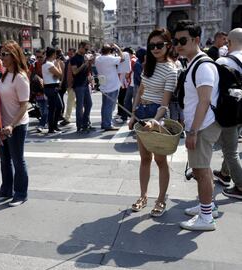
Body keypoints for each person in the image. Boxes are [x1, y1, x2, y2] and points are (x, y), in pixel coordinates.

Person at [173, 20, 221, 231]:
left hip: (203, 127)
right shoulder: (194, 63)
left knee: (200, 172)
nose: (178, 45)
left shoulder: (203, 66)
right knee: (205, 169)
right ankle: (208, 207)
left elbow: (204, 100)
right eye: (176, 41)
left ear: (197, 40)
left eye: (183, 40)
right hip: (200, 125)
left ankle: (206, 217)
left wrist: (193, 131)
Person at [128, 28, 177, 217]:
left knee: (160, 160)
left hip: (157, 115)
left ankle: (161, 198)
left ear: (167, 45)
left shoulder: (172, 69)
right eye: (152, 45)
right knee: (145, 158)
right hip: (142, 112)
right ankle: (143, 196)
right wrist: (133, 114)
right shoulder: (148, 64)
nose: (155, 48)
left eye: (159, 45)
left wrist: (155, 123)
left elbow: (165, 104)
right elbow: (140, 91)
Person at [0, 40, 30, 207]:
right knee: (4, 160)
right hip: (3, 124)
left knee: (17, 159)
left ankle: (20, 193)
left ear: (13, 56)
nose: (2, 57)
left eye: (5, 54)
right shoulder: (5, 74)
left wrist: (11, 126)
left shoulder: (20, 78)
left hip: (16, 125)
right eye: (1, 54)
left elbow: (24, 105)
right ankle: (6, 190)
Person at [214, 28, 242, 200]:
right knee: (231, 144)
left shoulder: (223, 61)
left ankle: (240, 185)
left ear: (229, 42)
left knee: (230, 151)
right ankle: (225, 174)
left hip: (230, 111)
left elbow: (214, 89)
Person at [95, 43, 124, 131]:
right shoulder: (110, 58)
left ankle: (104, 123)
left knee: (105, 106)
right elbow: (122, 58)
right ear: (110, 51)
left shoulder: (98, 58)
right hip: (112, 85)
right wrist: (118, 49)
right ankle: (107, 124)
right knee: (109, 106)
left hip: (104, 84)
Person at [71, 41, 94, 133]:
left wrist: (90, 77)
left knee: (89, 104)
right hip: (78, 85)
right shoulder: (74, 58)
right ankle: (79, 125)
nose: (86, 51)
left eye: (88, 49)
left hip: (85, 84)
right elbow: (75, 72)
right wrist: (85, 64)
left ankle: (85, 123)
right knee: (80, 106)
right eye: (86, 49)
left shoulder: (84, 57)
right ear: (80, 47)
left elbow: (87, 70)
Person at [42, 47, 63, 134]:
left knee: (58, 106)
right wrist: (57, 63)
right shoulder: (49, 64)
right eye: (55, 54)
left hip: (52, 87)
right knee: (53, 108)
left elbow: (56, 76)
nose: (56, 56)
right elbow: (60, 74)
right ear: (53, 54)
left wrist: (56, 74)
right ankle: (51, 127)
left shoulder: (49, 64)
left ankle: (54, 126)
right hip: (51, 88)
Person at [60, 48, 76, 126]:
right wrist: (63, 83)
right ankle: (83, 114)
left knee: (69, 101)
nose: (69, 55)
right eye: (68, 54)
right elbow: (64, 74)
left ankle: (67, 118)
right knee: (73, 102)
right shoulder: (67, 62)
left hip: (73, 85)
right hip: (68, 84)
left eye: (71, 54)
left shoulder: (75, 62)